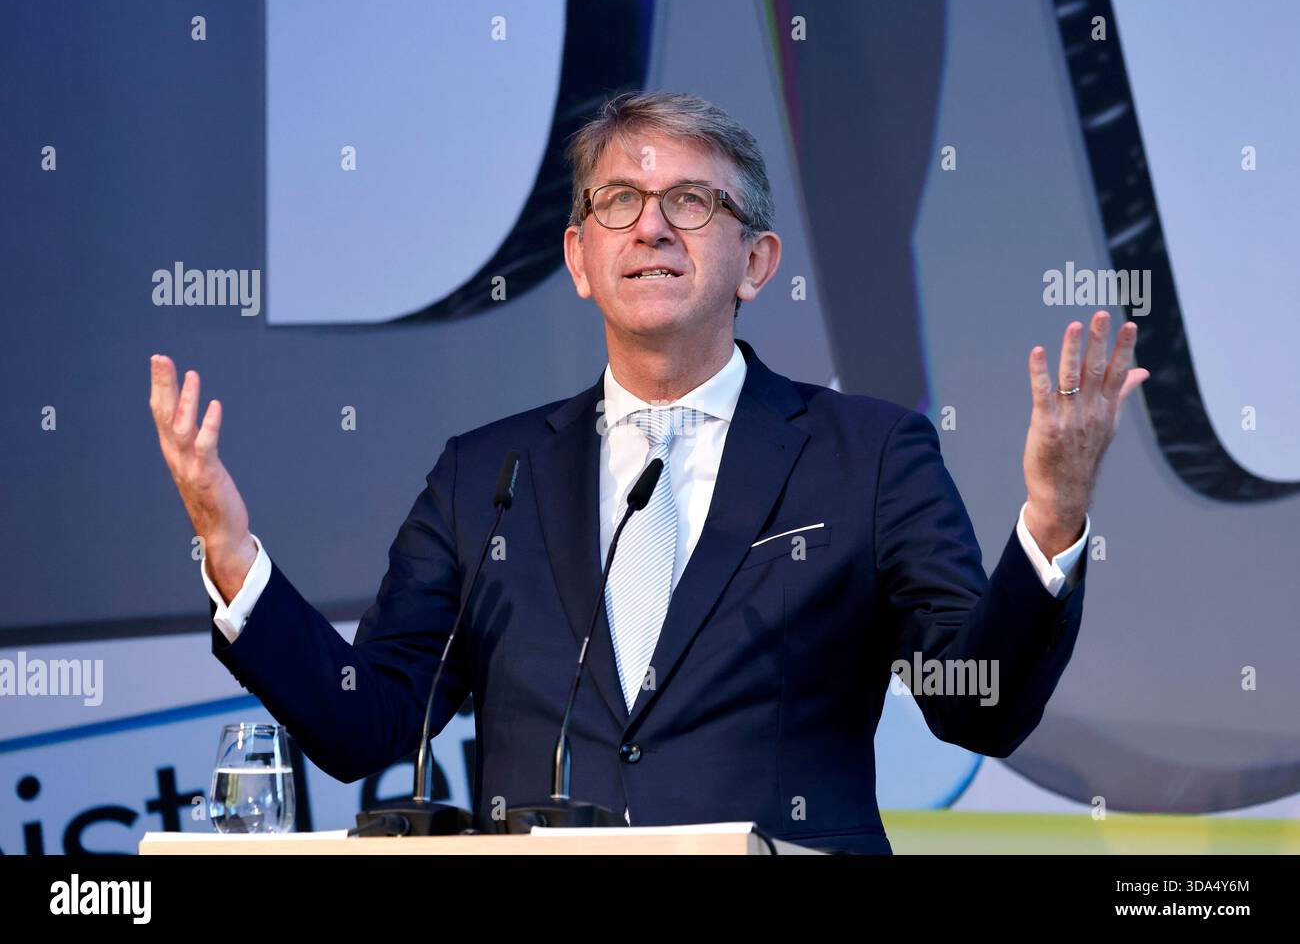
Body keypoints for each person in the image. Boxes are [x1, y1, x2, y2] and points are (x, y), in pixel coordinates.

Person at [148, 92, 1147, 853]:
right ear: (579, 258)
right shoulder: (485, 474)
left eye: (690, 202)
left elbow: (974, 702)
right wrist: (230, 552)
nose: (652, 226)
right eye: (619, 200)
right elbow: (365, 719)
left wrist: (1053, 517)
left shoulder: (868, 454)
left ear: (756, 263)